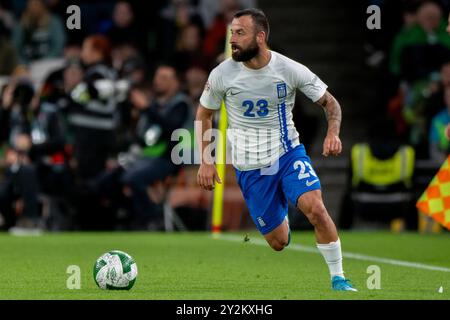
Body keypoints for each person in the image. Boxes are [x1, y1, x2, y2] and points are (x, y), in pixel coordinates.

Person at [196, 8, 356, 291]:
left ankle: (339, 277)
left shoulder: (289, 69)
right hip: (251, 169)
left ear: (260, 36)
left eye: (239, 33)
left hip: (287, 154)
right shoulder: (222, 73)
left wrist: (333, 133)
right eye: (232, 32)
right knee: (278, 242)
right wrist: (206, 161)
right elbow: (204, 115)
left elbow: (331, 104)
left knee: (316, 209)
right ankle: (279, 212)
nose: (232, 39)